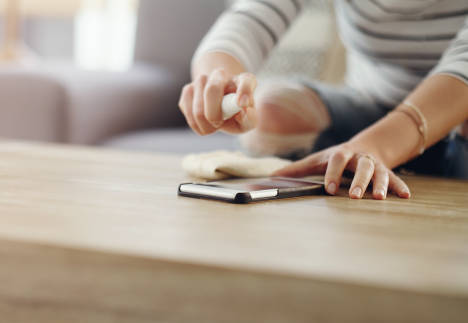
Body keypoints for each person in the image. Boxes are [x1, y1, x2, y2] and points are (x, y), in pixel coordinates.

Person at [178, 0, 468, 200]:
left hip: (457, 115)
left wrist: (377, 146)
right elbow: (250, 17)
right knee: (272, 111)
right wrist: (218, 81)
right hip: (372, 103)